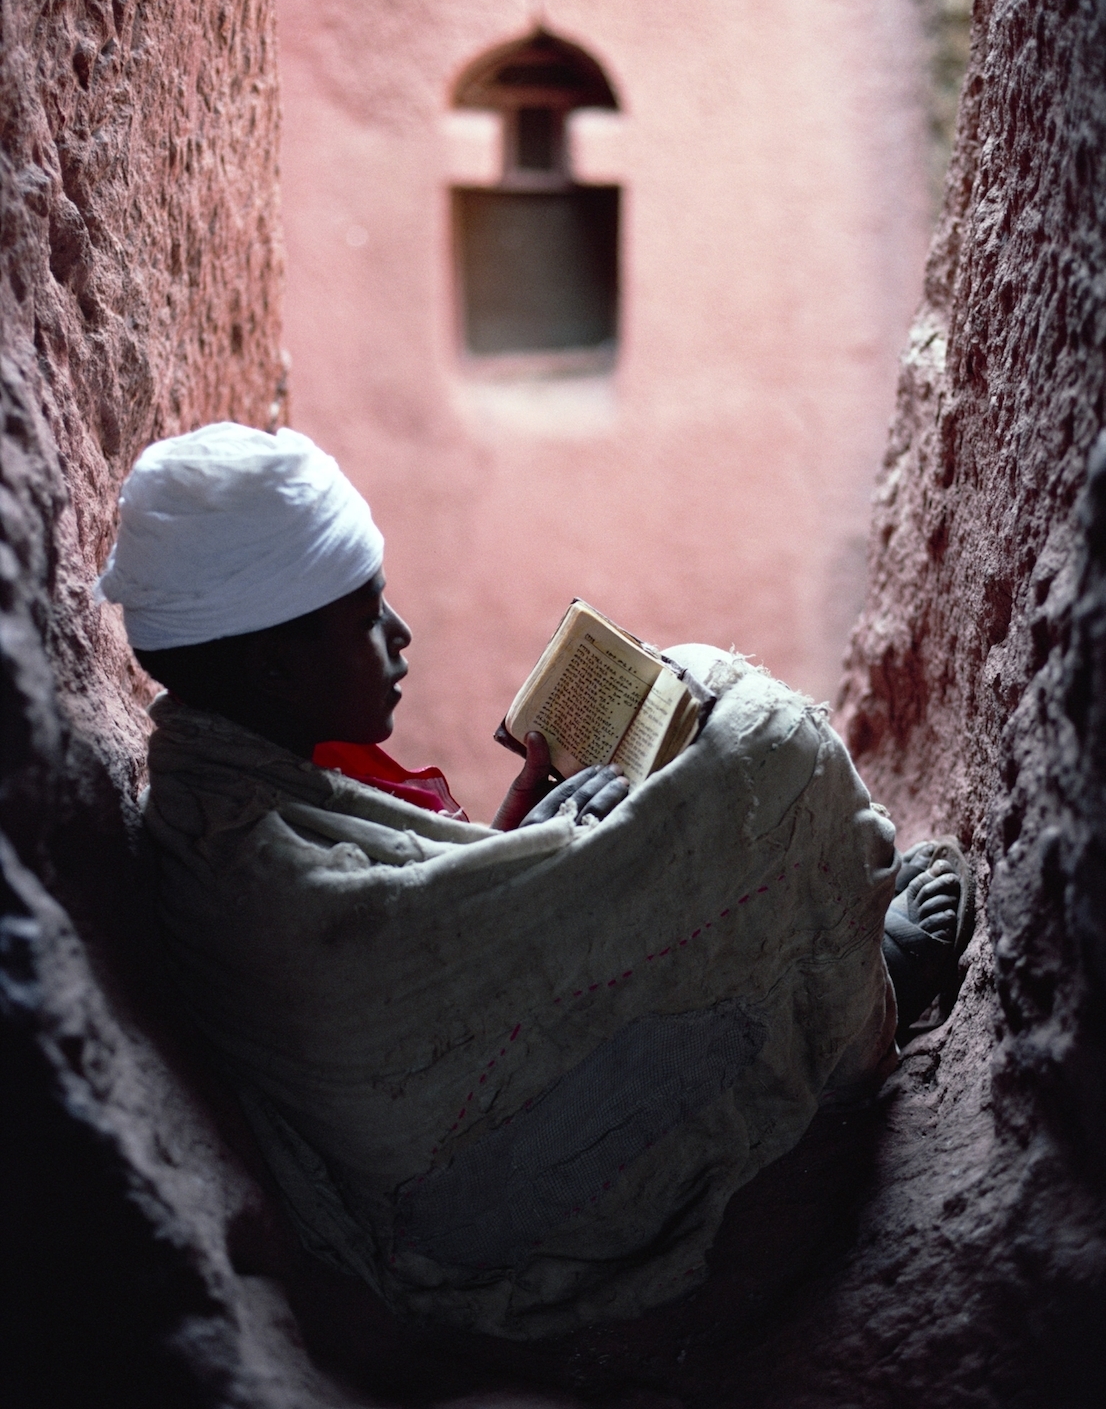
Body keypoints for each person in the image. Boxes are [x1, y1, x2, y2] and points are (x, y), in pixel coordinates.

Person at [97, 423, 972, 1340]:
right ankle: (856, 1008)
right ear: (274, 664)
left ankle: (825, 959)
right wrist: (546, 859)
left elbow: (427, 938)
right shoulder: (238, 859)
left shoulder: (234, 779)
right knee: (763, 744)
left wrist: (516, 843)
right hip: (474, 1206)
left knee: (686, 704)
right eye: (365, 618)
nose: (399, 637)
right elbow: (410, 1013)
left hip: (465, 1150)